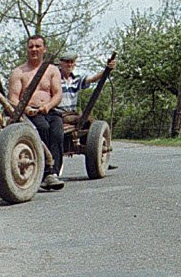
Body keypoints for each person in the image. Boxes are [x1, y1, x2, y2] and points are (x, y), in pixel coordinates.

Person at [8, 35, 64, 191]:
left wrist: (48, 106)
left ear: (44, 49)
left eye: (38, 46)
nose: (34, 49)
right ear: (27, 49)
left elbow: (58, 94)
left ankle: (54, 173)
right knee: (42, 128)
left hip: (49, 110)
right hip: (28, 113)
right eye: (31, 46)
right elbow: (13, 98)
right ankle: (44, 171)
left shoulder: (52, 70)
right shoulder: (19, 72)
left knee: (58, 132)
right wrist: (26, 109)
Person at [56, 52, 117, 122]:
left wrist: (107, 69)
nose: (69, 65)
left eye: (72, 62)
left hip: (72, 114)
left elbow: (93, 78)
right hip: (59, 115)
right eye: (67, 62)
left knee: (89, 121)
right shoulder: (55, 79)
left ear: (74, 64)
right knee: (89, 121)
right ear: (60, 64)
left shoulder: (76, 80)